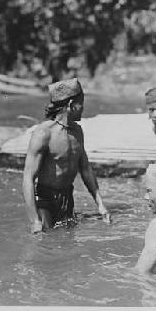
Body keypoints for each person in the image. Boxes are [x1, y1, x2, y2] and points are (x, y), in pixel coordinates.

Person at [22, 78, 111, 233]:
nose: (83, 108)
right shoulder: (43, 133)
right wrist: (34, 220)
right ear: (71, 105)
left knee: (67, 241)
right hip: (45, 199)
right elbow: (28, 178)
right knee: (45, 243)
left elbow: (85, 168)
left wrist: (100, 205)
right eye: (81, 103)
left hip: (66, 197)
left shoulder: (77, 131)